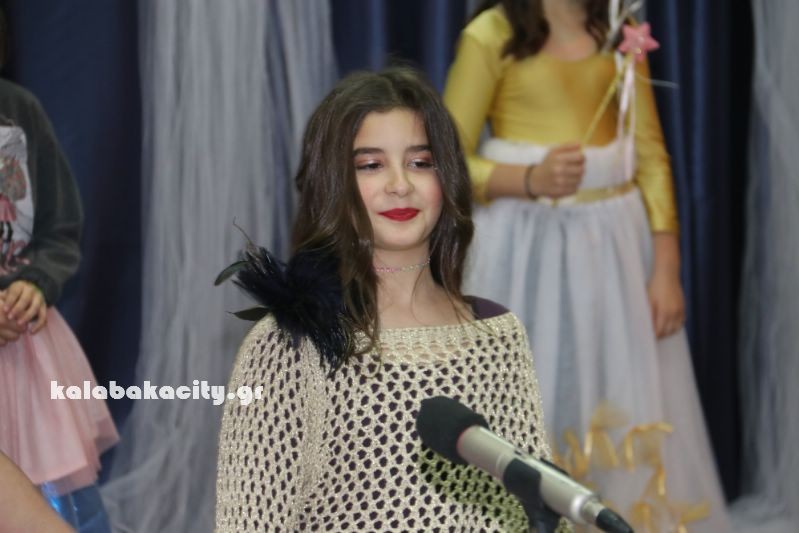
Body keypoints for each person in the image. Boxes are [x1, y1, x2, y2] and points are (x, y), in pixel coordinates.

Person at [214, 67, 571, 532]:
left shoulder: (497, 334)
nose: (400, 184)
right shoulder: (288, 346)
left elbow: (536, 511)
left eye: (421, 162)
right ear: (333, 183)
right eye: (371, 165)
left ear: (448, 177)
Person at [442, 0, 730, 530]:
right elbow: (447, 158)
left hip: (615, 257)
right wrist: (529, 178)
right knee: (537, 385)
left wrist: (666, 266)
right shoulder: (491, 35)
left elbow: (651, 158)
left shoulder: (620, 32)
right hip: (526, 255)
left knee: (619, 388)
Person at [0, 76, 118, 532]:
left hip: (28, 351)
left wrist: (37, 282)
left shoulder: (20, 109)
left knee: (67, 503)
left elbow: (60, 227)